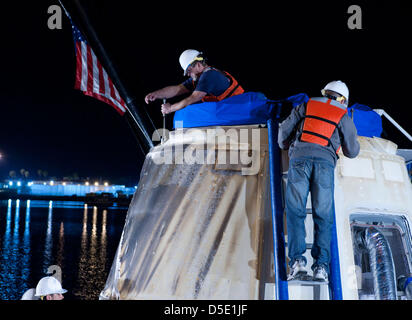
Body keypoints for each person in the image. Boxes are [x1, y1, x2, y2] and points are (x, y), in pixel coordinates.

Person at [278, 80, 360, 282]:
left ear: (325, 93)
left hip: (298, 161)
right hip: (324, 165)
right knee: (323, 215)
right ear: (343, 99)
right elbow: (352, 151)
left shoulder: (306, 105)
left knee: (295, 211)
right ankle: (321, 267)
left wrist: (286, 145)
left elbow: (282, 135)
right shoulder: (343, 114)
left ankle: (296, 262)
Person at [144, 49, 244, 115]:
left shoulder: (209, 76)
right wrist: (156, 94)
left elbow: (193, 98)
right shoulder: (199, 78)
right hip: (229, 114)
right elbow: (177, 89)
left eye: (189, 70)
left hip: (239, 113)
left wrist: (170, 108)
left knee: (187, 111)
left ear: (198, 65)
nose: (188, 74)